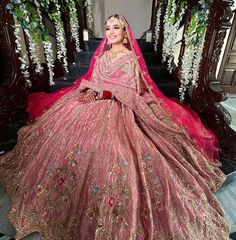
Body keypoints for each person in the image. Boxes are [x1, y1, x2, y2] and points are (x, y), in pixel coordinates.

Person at [0, 14, 230, 239]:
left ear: (125, 33)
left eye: (116, 28)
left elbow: (131, 89)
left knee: (119, 150)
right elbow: (95, 78)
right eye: (108, 27)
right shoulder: (100, 58)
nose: (110, 32)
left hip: (118, 104)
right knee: (63, 132)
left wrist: (106, 93)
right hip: (95, 101)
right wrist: (90, 89)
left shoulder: (130, 58)